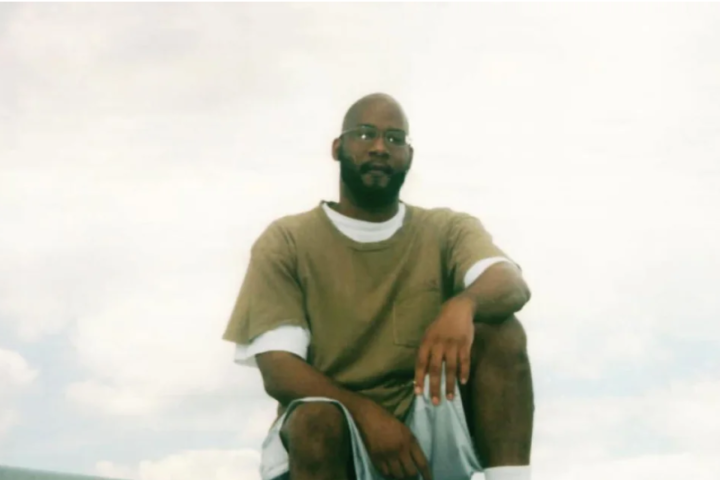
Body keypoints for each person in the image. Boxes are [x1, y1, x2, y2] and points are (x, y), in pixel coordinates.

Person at [222, 93, 535, 480]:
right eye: (365, 134)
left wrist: (463, 306)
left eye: (394, 138)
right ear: (337, 148)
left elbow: (510, 284)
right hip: (338, 436)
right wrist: (367, 415)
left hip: (427, 420)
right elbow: (278, 370)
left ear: (409, 156)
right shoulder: (287, 240)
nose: (379, 148)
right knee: (315, 417)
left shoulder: (446, 229)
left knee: (502, 331)